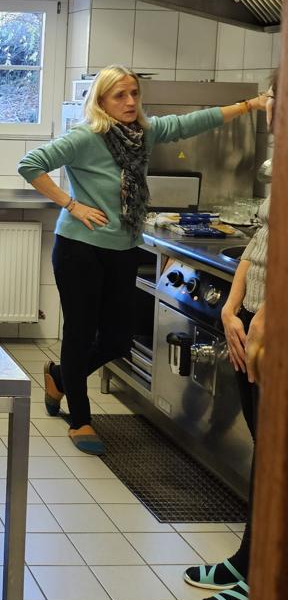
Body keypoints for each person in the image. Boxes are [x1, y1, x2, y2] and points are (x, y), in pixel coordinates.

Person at [18, 65, 268, 454]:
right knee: (80, 333)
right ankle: (81, 420)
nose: (130, 101)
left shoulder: (143, 135)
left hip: (123, 247)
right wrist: (72, 204)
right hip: (79, 248)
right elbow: (30, 164)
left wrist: (250, 105)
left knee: (118, 339)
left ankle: (61, 378)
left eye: (134, 93)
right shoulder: (86, 136)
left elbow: (191, 123)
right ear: (101, 100)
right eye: (120, 95)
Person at [183, 72, 276, 600]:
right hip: (250, 317)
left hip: (272, 328)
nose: (271, 109)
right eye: (272, 99)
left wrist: (265, 320)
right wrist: (232, 307)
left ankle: (265, 584)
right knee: (266, 453)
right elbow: (261, 241)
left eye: (278, 101)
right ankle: (248, 561)